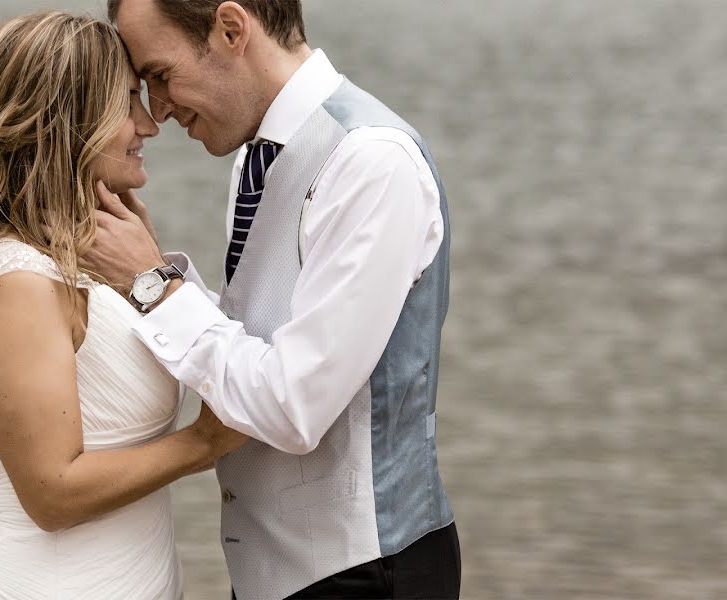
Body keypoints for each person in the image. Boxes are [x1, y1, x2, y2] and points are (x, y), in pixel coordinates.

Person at [84, 1, 462, 599]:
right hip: (276, 575)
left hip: (364, 575)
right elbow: (259, 340)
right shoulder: (257, 156)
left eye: (159, 74)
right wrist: (154, 277)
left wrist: (154, 286)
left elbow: (293, 405)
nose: (157, 108)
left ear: (231, 29)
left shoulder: (371, 162)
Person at [0, 12, 247, 599]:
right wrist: (203, 443)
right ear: (66, 121)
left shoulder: (94, 259)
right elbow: (52, 493)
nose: (148, 125)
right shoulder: (19, 280)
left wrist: (148, 278)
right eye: (127, 101)